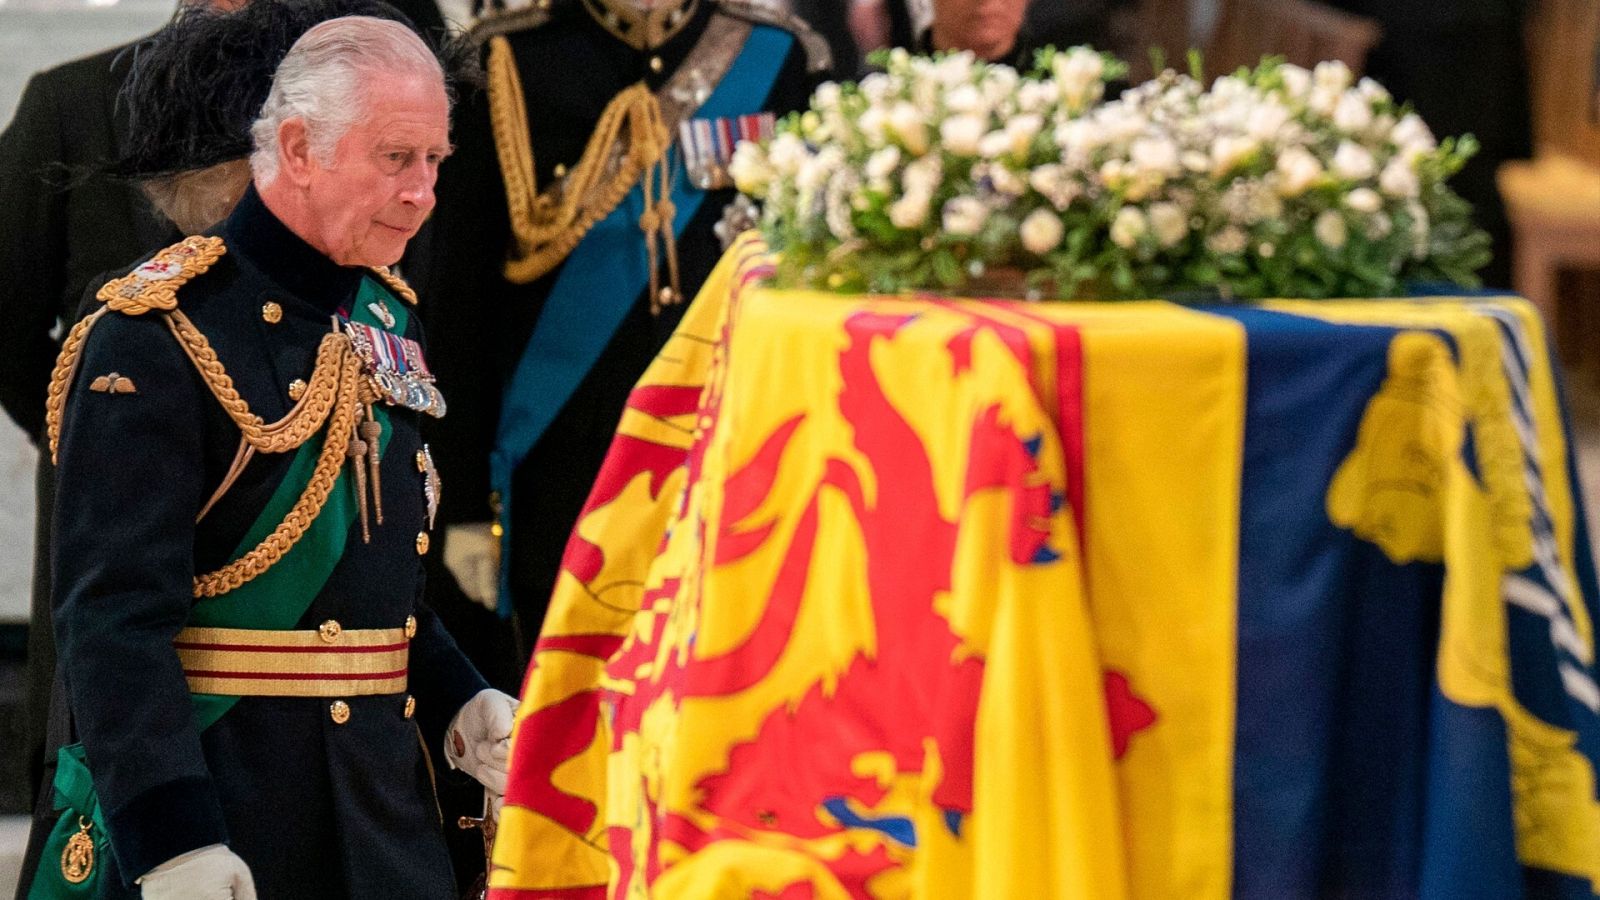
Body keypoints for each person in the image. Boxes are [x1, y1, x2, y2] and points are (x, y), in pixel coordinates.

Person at [34, 11, 515, 898]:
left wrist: (461, 699)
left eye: (434, 161)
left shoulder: (386, 318)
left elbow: (381, 590)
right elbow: (113, 621)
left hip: (382, 823)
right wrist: (174, 841)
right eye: (396, 159)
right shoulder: (154, 334)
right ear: (297, 149)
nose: (423, 194)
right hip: (227, 817)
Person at [410, 0, 829, 674]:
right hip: (566, 465)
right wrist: (461, 502)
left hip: (732, 443)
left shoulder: (779, 57)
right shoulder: (507, 63)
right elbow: (463, 303)